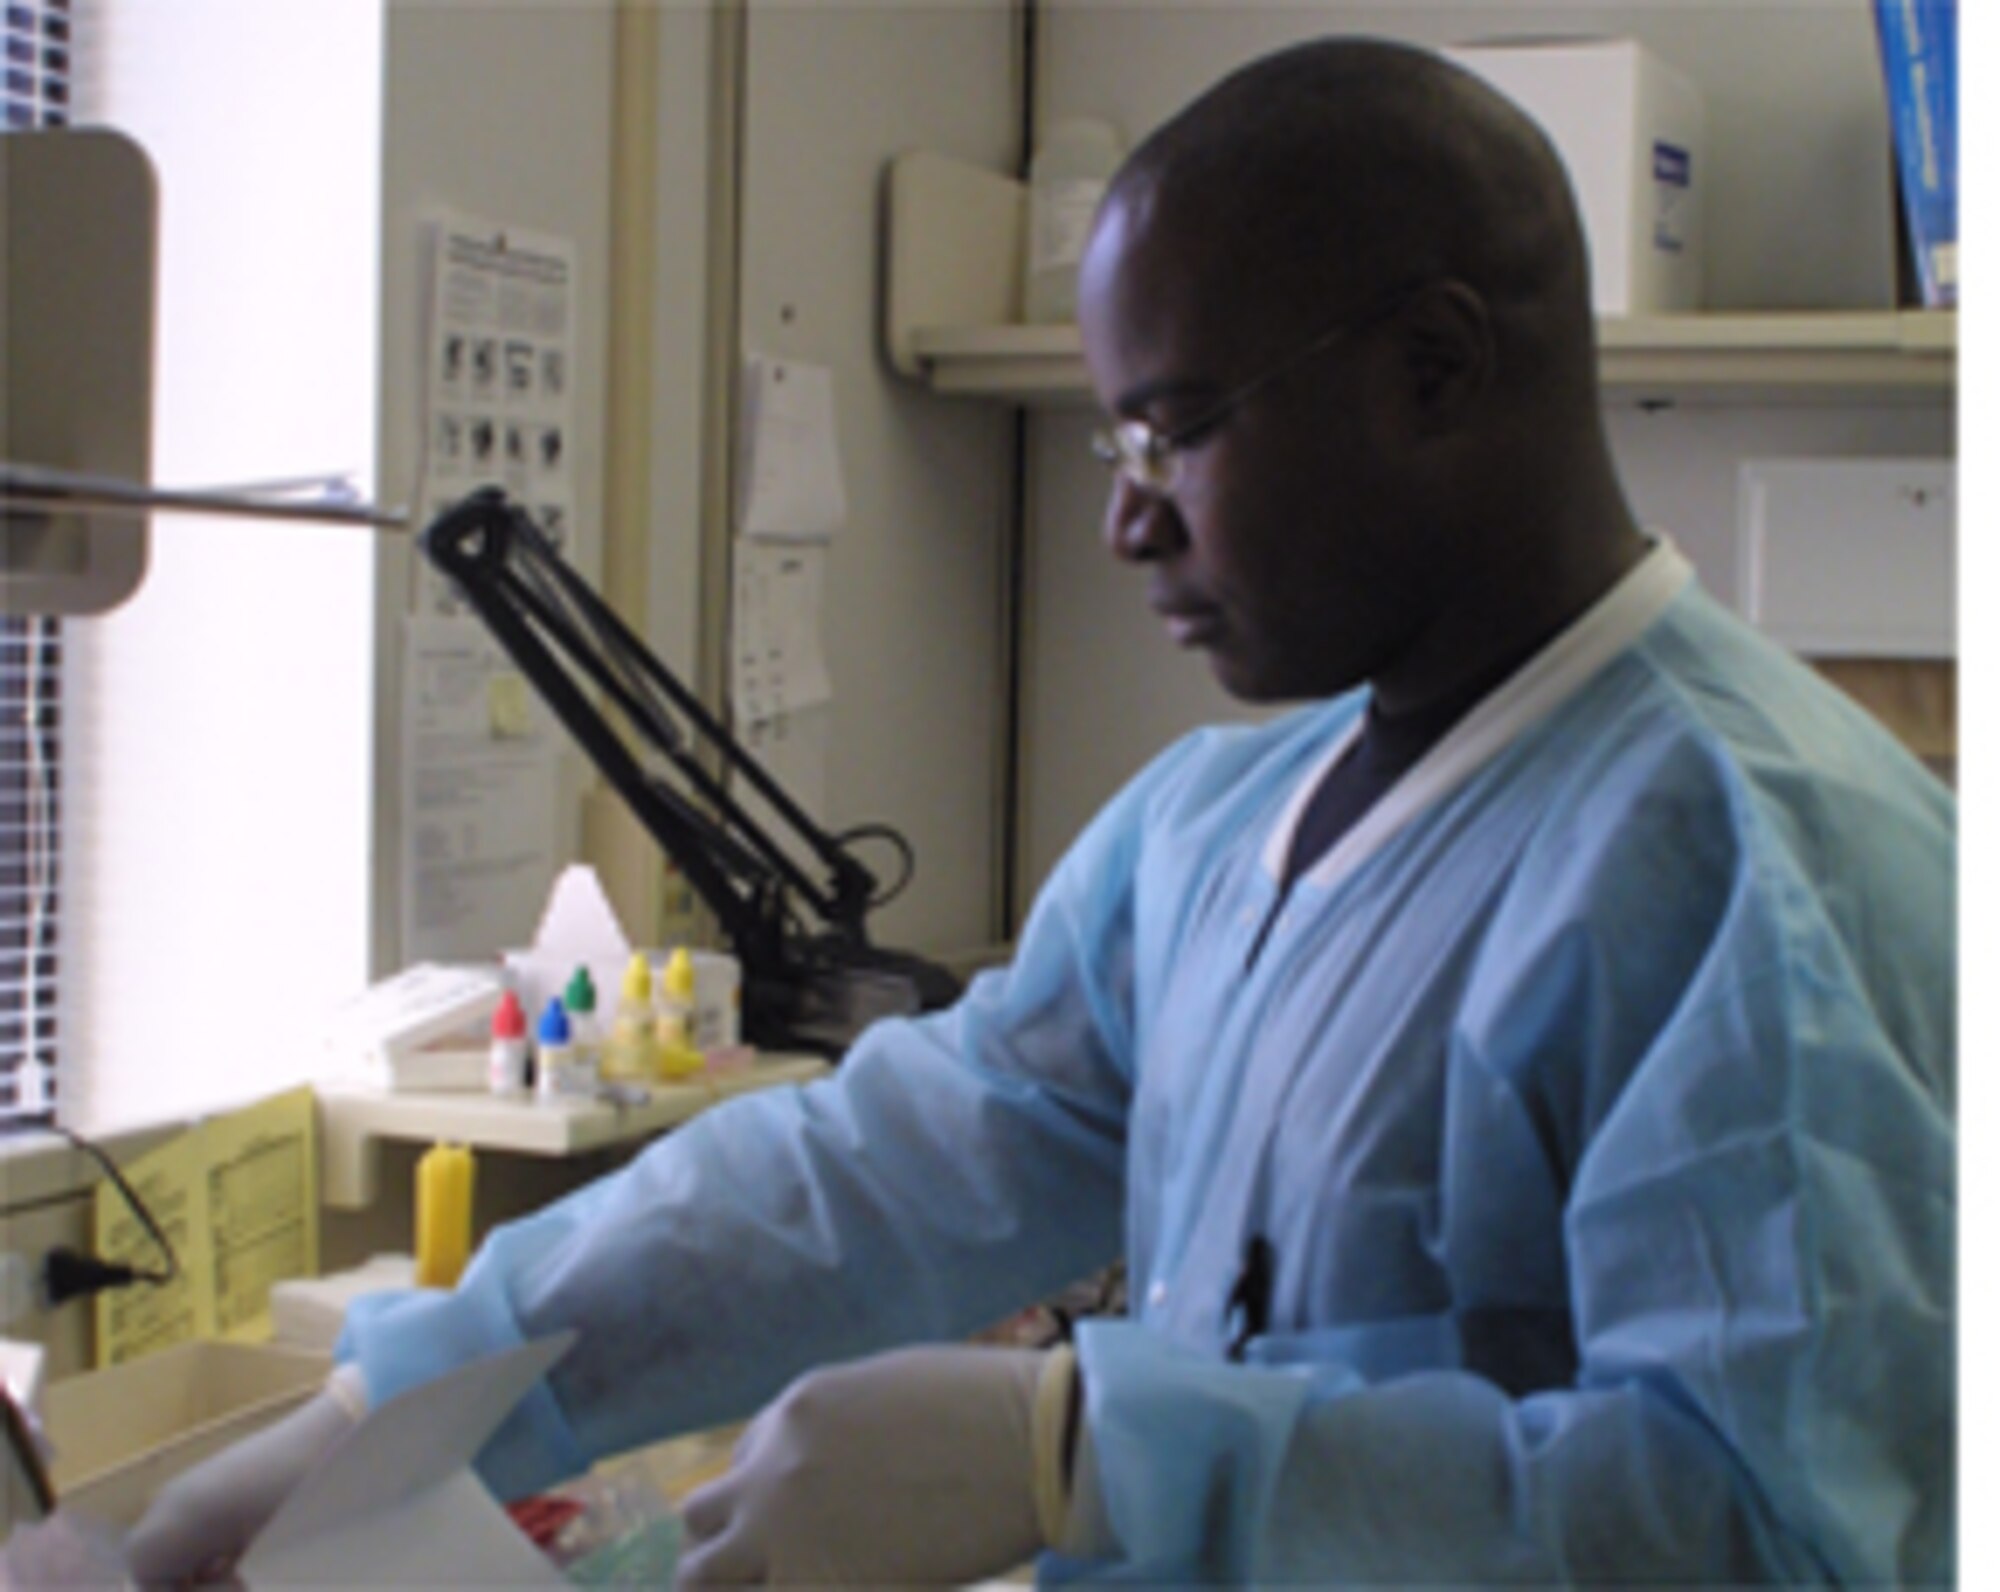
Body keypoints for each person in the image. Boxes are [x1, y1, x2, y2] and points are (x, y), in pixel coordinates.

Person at [129, 36, 1953, 1588]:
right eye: (1110, 446)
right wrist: (401, 1400)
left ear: (1439, 368)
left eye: (1177, 431)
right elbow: (890, 1164)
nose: (1125, 520)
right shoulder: (1225, 826)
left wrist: (1087, 1457)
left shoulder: (1749, 865)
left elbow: (1769, 1529)